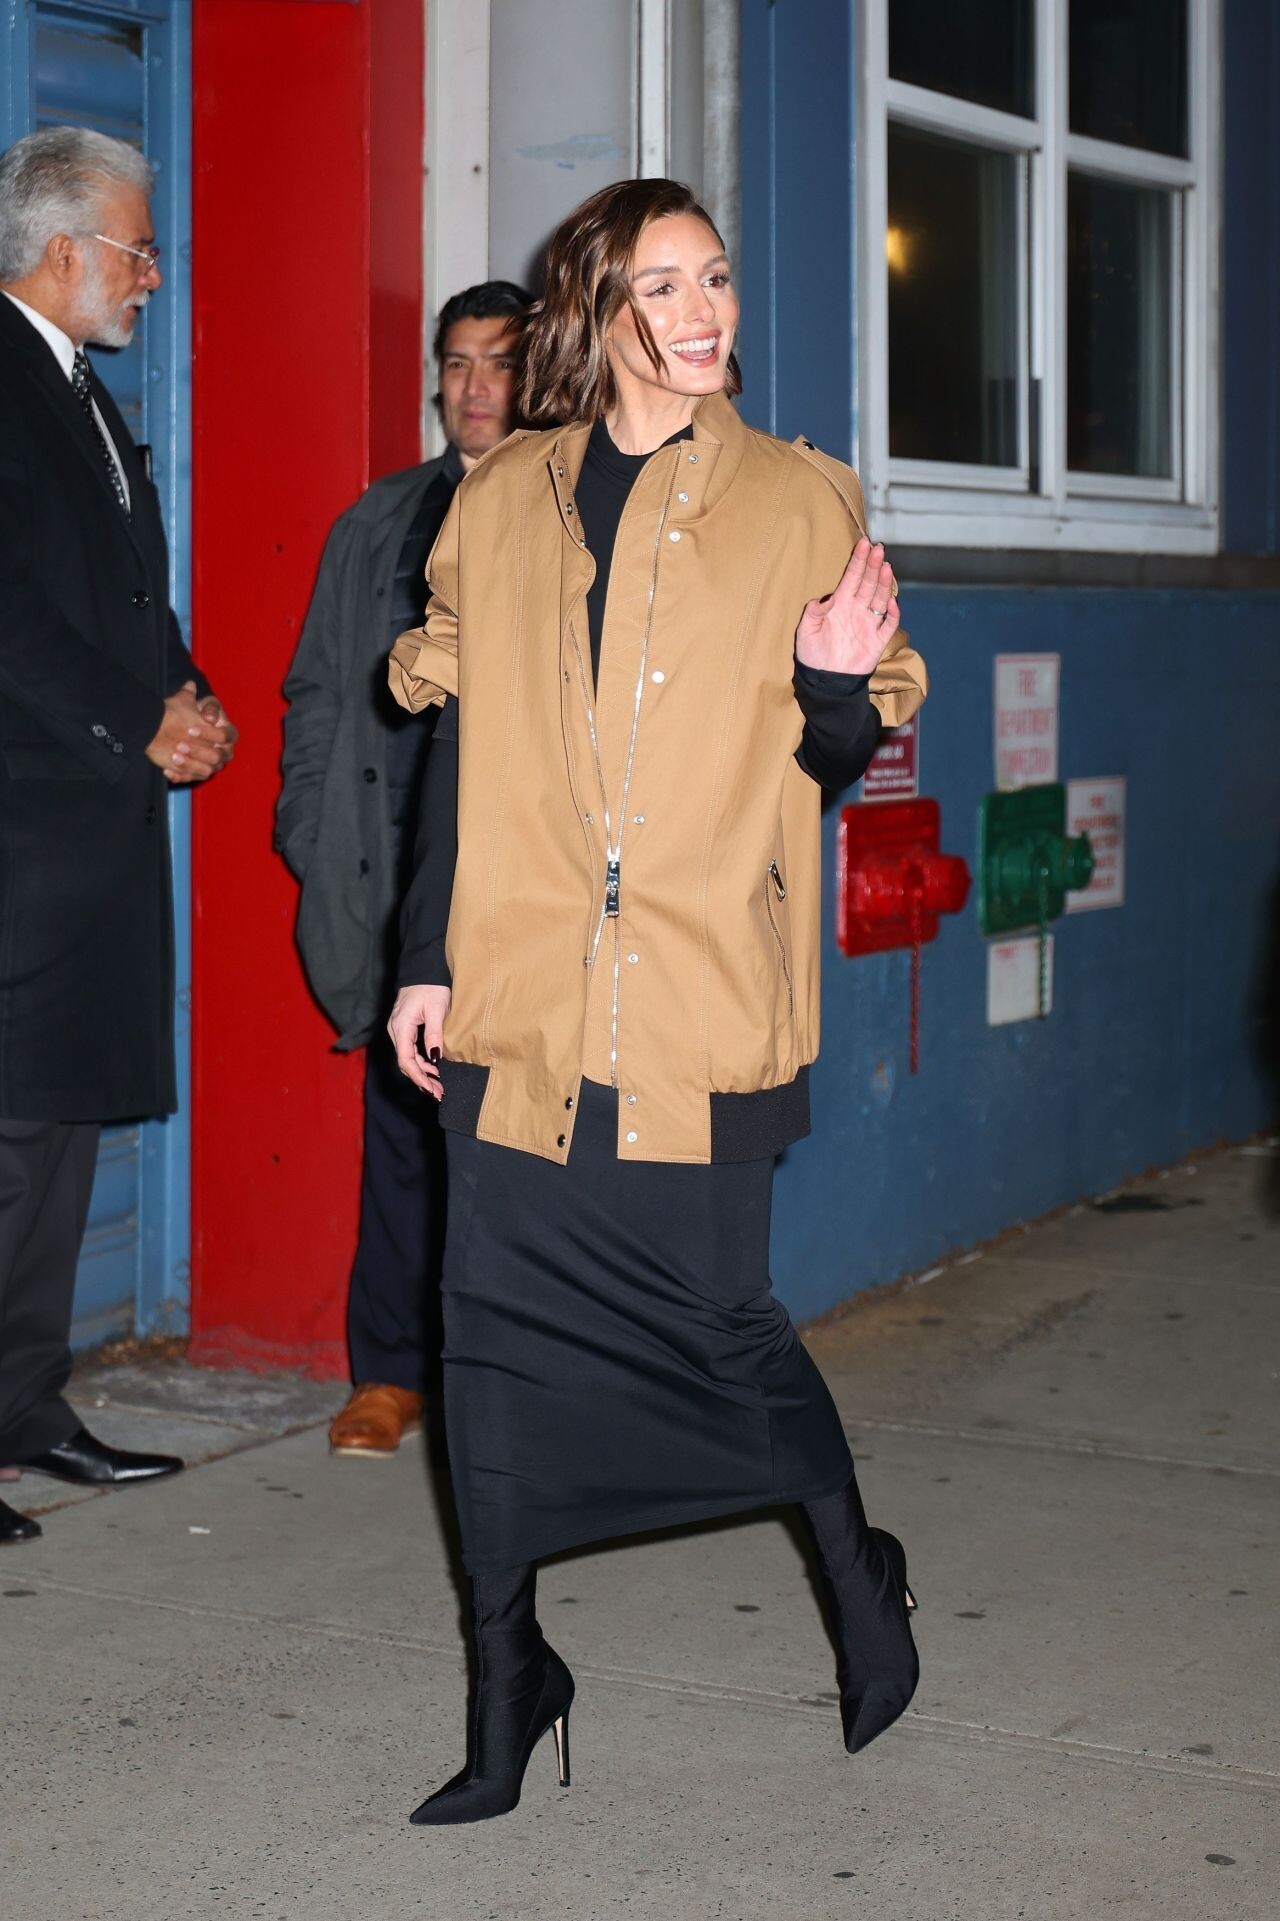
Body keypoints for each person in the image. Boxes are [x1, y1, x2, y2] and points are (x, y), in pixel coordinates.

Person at [386, 177, 929, 1824]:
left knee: (726, 1328)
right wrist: (426, 955)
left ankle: (859, 1578)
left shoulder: (797, 498)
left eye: (717, 281)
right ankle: (510, 1686)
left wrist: (832, 680)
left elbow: (839, 752)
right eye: (664, 287)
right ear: (594, 310)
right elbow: (459, 748)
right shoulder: (502, 499)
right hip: (523, 996)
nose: (704, 314)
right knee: (487, 1351)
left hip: (701, 990)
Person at [0, 127, 235, 1546]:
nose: (153, 276)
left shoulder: (78, 386)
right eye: (139, 252)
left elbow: (124, 593)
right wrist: (133, 722)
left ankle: (25, 1410)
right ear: (64, 249)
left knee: (62, 1132)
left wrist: (185, 697)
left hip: (92, 836)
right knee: (9, 1142)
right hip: (25, 833)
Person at [277, 282, 532, 1459]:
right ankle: (390, 1371)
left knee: (524, 1147)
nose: (475, 387)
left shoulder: (571, 511)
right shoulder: (377, 521)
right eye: (457, 362)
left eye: (500, 362)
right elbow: (318, 691)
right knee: (402, 1126)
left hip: (521, 880)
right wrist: (308, 827)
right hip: (391, 880)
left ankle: (514, 1381)